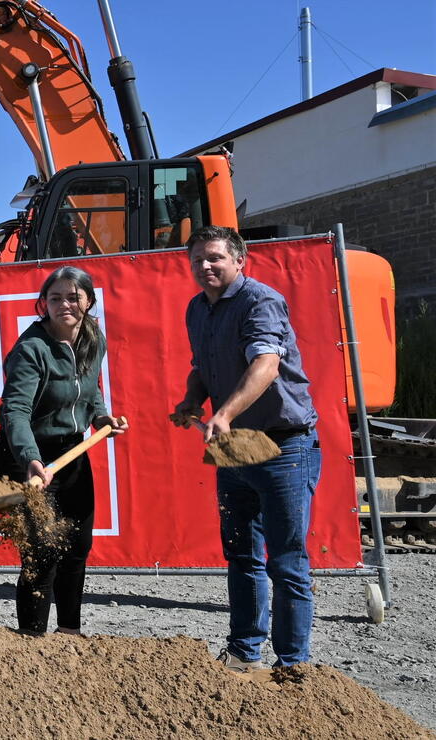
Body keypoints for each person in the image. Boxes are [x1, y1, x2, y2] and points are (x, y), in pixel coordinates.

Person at [172, 225, 320, 670]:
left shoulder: (261, 301)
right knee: (241, 554)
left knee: (287, 561)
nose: (205, 266)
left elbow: (267, 364)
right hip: (235, 446)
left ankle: (293, 664)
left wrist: (225, 414)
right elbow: (203, 365)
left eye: (215, 257)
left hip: (282, 444)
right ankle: (244, 653)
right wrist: (192, 401)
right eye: (197, 259)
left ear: (240, 261)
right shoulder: (197, 309)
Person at [0, 266, 128, 636]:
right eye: (55, 298)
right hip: (25, 455)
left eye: (73, 297)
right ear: (43, 303)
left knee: (76, 545)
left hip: (72, 451)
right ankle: (33, 638)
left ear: (88, 301)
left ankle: (69, 633)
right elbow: (15, 412)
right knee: (41, 551)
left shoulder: (92, 337)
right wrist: (30, 460)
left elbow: (90, 385)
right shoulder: (31, 349)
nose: (64, 304)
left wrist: (100, 417)